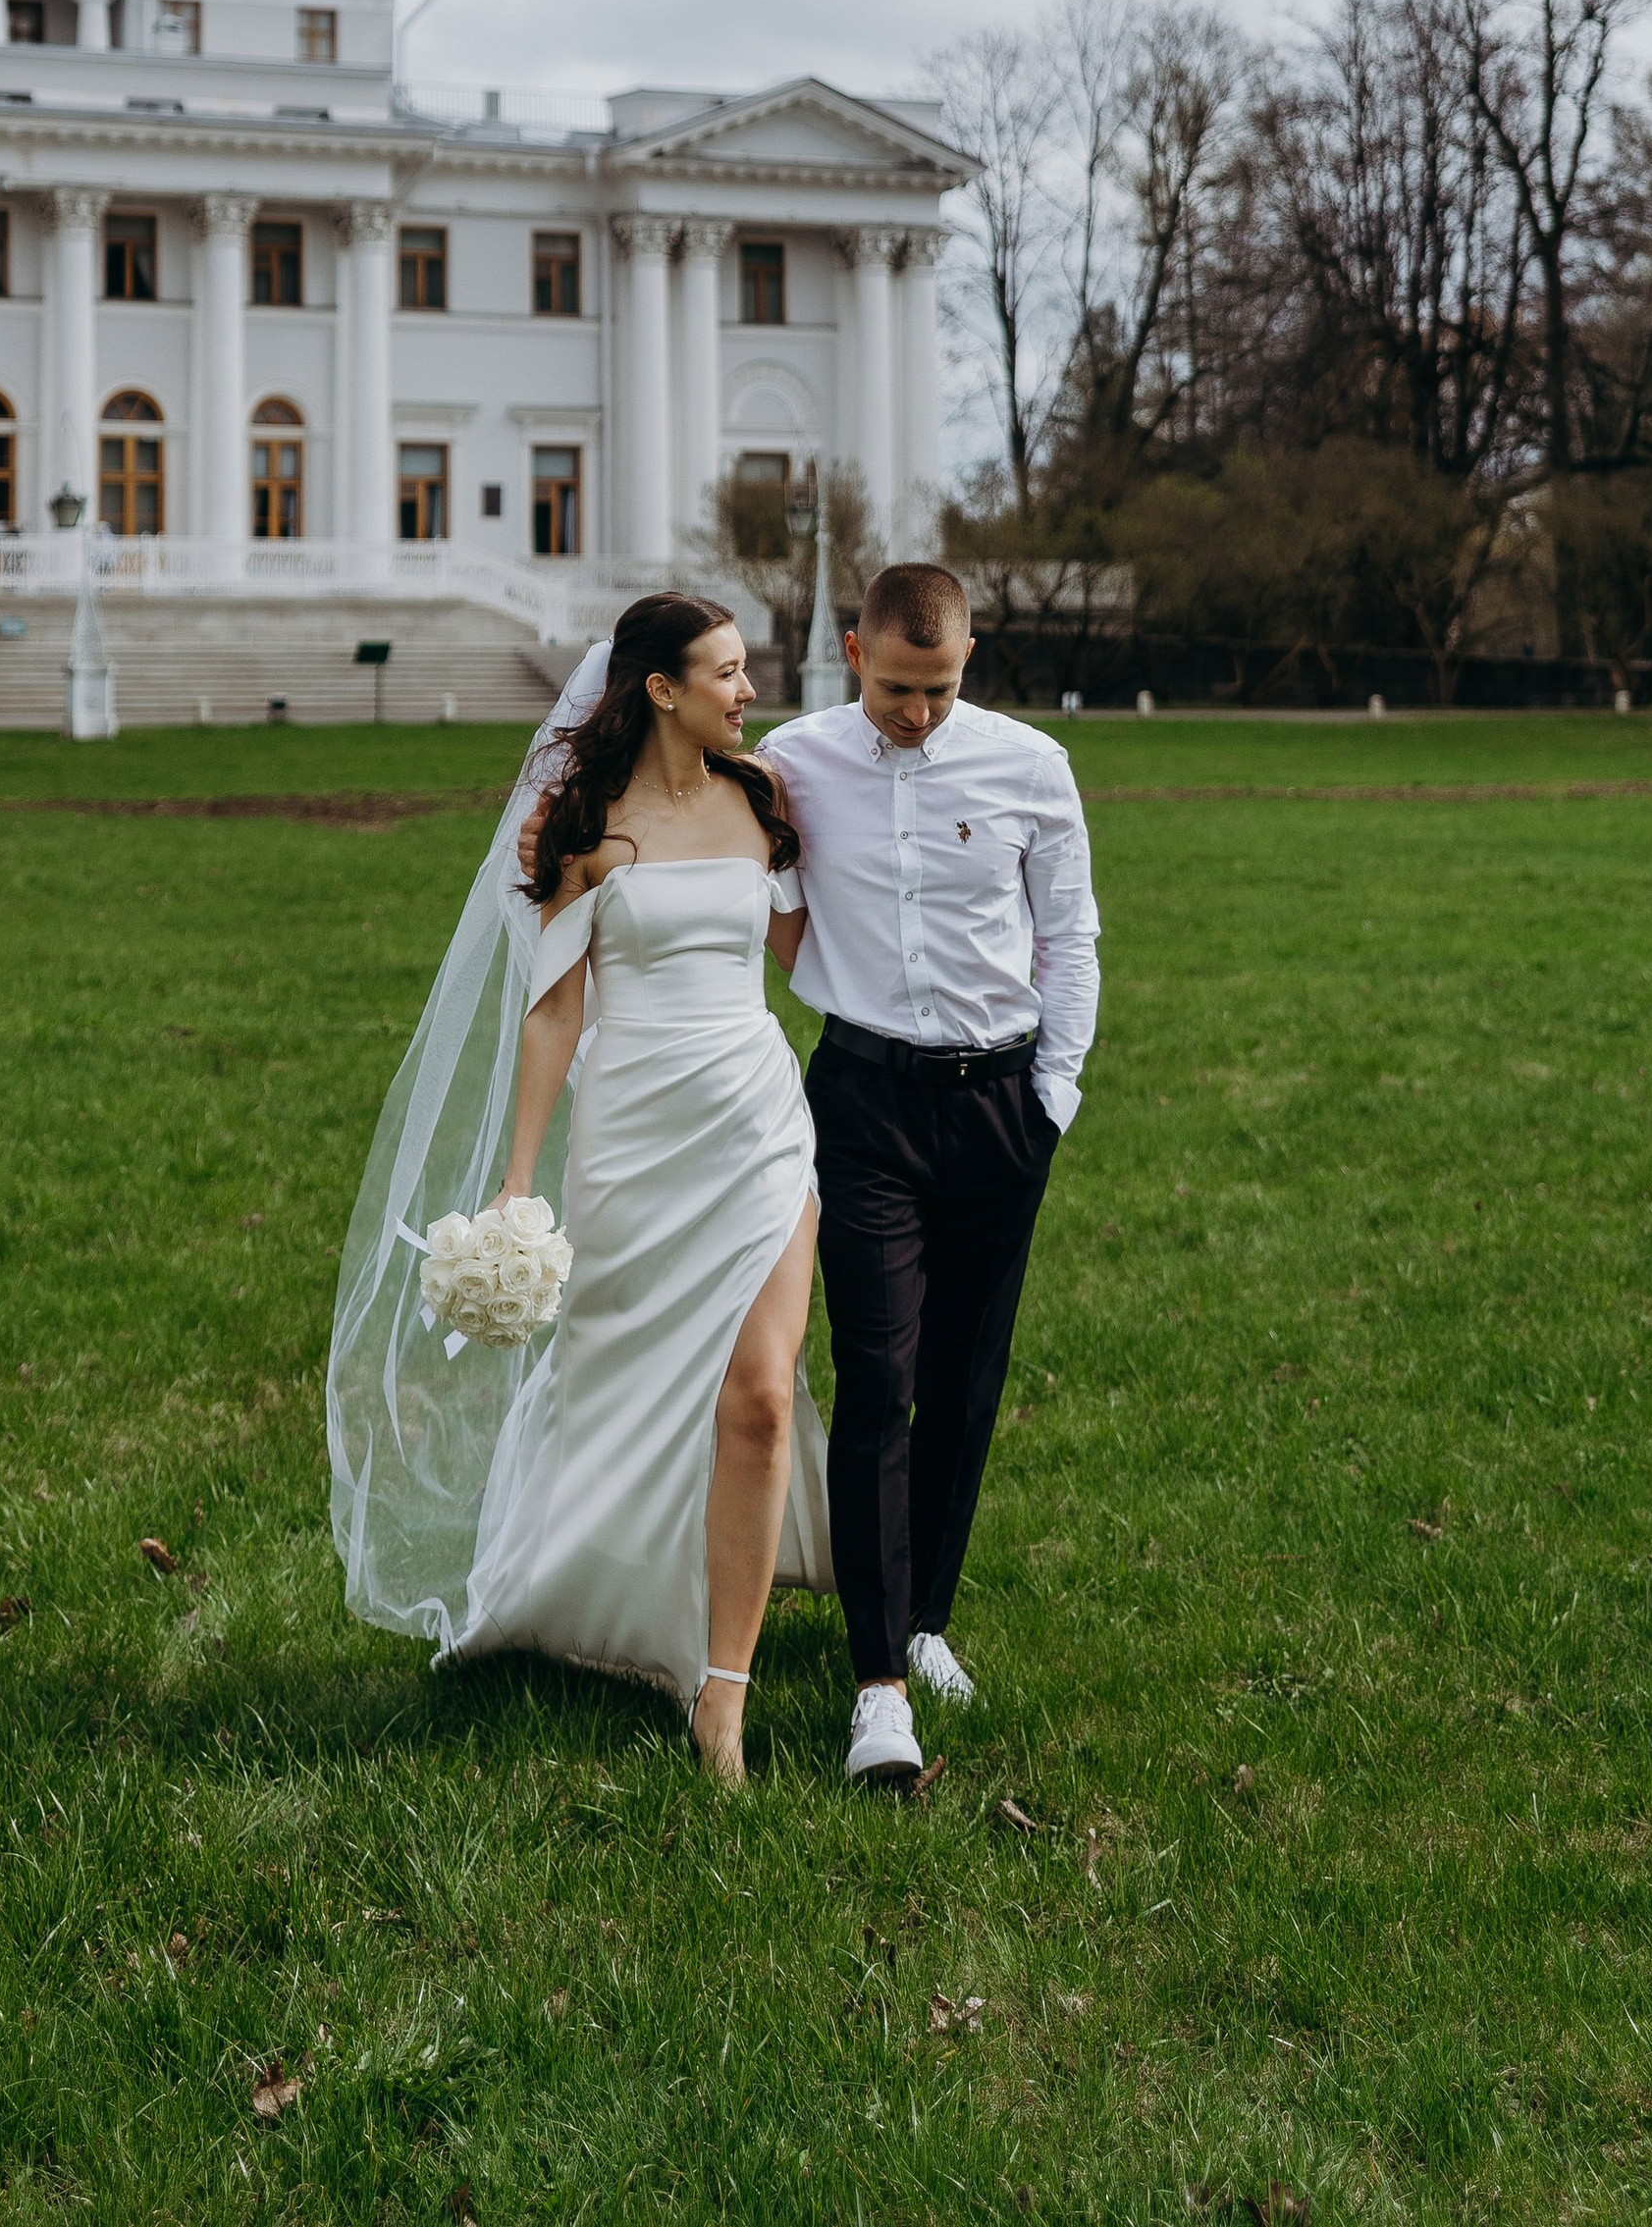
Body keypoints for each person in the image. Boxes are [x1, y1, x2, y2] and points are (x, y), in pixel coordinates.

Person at [326, 594, 834, 1785]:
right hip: (633, 1136)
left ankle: (723, 1690)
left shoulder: (760, 799)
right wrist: (515, 1182)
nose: (747, 688)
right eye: (726, 671)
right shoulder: (586, 825)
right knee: (623, 1378)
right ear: (660, 687)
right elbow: (553, 1008)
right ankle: (576, 1589)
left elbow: (813, 957)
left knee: (759, 1396)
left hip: (757, 1124)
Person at [766, 560, 1100, 1791]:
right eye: (899, 688)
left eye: (941, 687)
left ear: (971, 658)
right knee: (878, 1379)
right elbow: (763, 886)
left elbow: (1070, 933)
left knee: (965, 1383)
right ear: (854, 652)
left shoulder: (1029, 764)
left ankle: (923, 1620)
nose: (917, 712)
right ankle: (877, 1689)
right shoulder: (794, 759)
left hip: (1001, 1108)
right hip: (860, 1106)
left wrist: (1050, 1098)